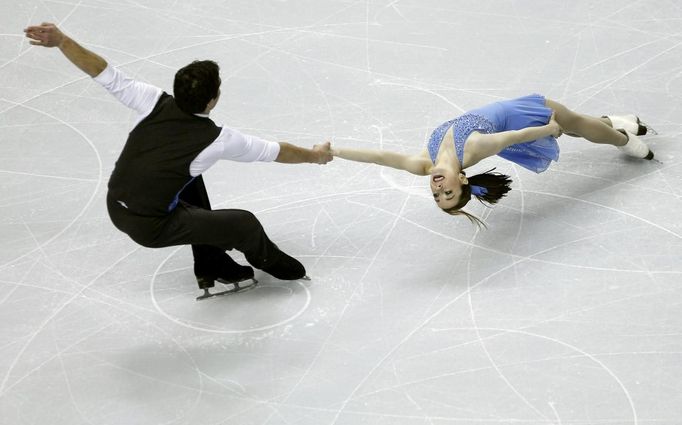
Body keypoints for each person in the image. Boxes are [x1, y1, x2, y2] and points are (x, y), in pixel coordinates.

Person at [24, 22, 333, 299]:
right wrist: (317, 156)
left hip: (114, 203)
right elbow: (278, 152)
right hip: (152, 225)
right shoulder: (217, 140)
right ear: (212, 100)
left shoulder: (151, 100)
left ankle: (211, 262)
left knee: (189, 177)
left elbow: (102, 71)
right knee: (244, 223)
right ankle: (281, 267)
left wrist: (62, 40)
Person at [332, 93, 655, 227]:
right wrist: (547, 128)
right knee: (573, 124)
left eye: (437, 195)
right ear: (462, 181)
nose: (438, 189)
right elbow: (512, 138)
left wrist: (333, 152)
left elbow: (377, 157)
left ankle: (614, 122)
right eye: (448, 195)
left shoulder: (424, 164)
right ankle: (625, 141)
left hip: (506, 114)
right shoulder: (473, 151)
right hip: (517, 119)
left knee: (574, 124)